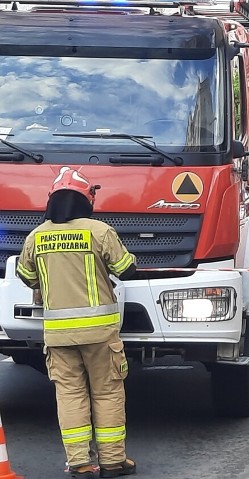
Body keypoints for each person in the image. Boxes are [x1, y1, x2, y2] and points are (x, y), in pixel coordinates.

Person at [16, 167, 138, 479]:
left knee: (70, 395)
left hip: (58, 336)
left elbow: (27, 277)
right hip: (100, 334)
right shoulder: (99, 231)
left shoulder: (36, 236)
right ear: (86, 200)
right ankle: (112, 462)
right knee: (107, 393)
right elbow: (126, 269)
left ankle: (80, 463)